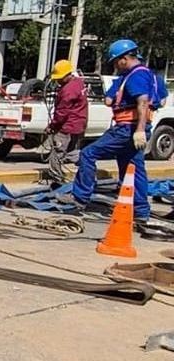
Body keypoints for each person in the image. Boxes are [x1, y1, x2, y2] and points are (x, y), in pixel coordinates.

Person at [64, 39, 157, 224]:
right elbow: (160, 100)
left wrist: (139, 129)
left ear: (123, 59)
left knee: (88, 154)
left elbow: (143, 102)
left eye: (115, 62)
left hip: (127, 129)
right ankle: (141, 212)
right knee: (133, 168)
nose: (115, 66)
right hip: (135, 128)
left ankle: (79, 200)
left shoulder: (136, 76)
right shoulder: (148, 75)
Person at [44, 59, 87, 186]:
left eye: (60, 78)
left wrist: (52, 126)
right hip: (78, 125)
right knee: (69, 151)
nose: (58, 81)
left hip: (67, 127)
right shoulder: (79, 83)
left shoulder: (68, 90)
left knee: (57, 153)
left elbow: (62, 113)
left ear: (68, 75)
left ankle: (56, 180)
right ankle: (86, 163)